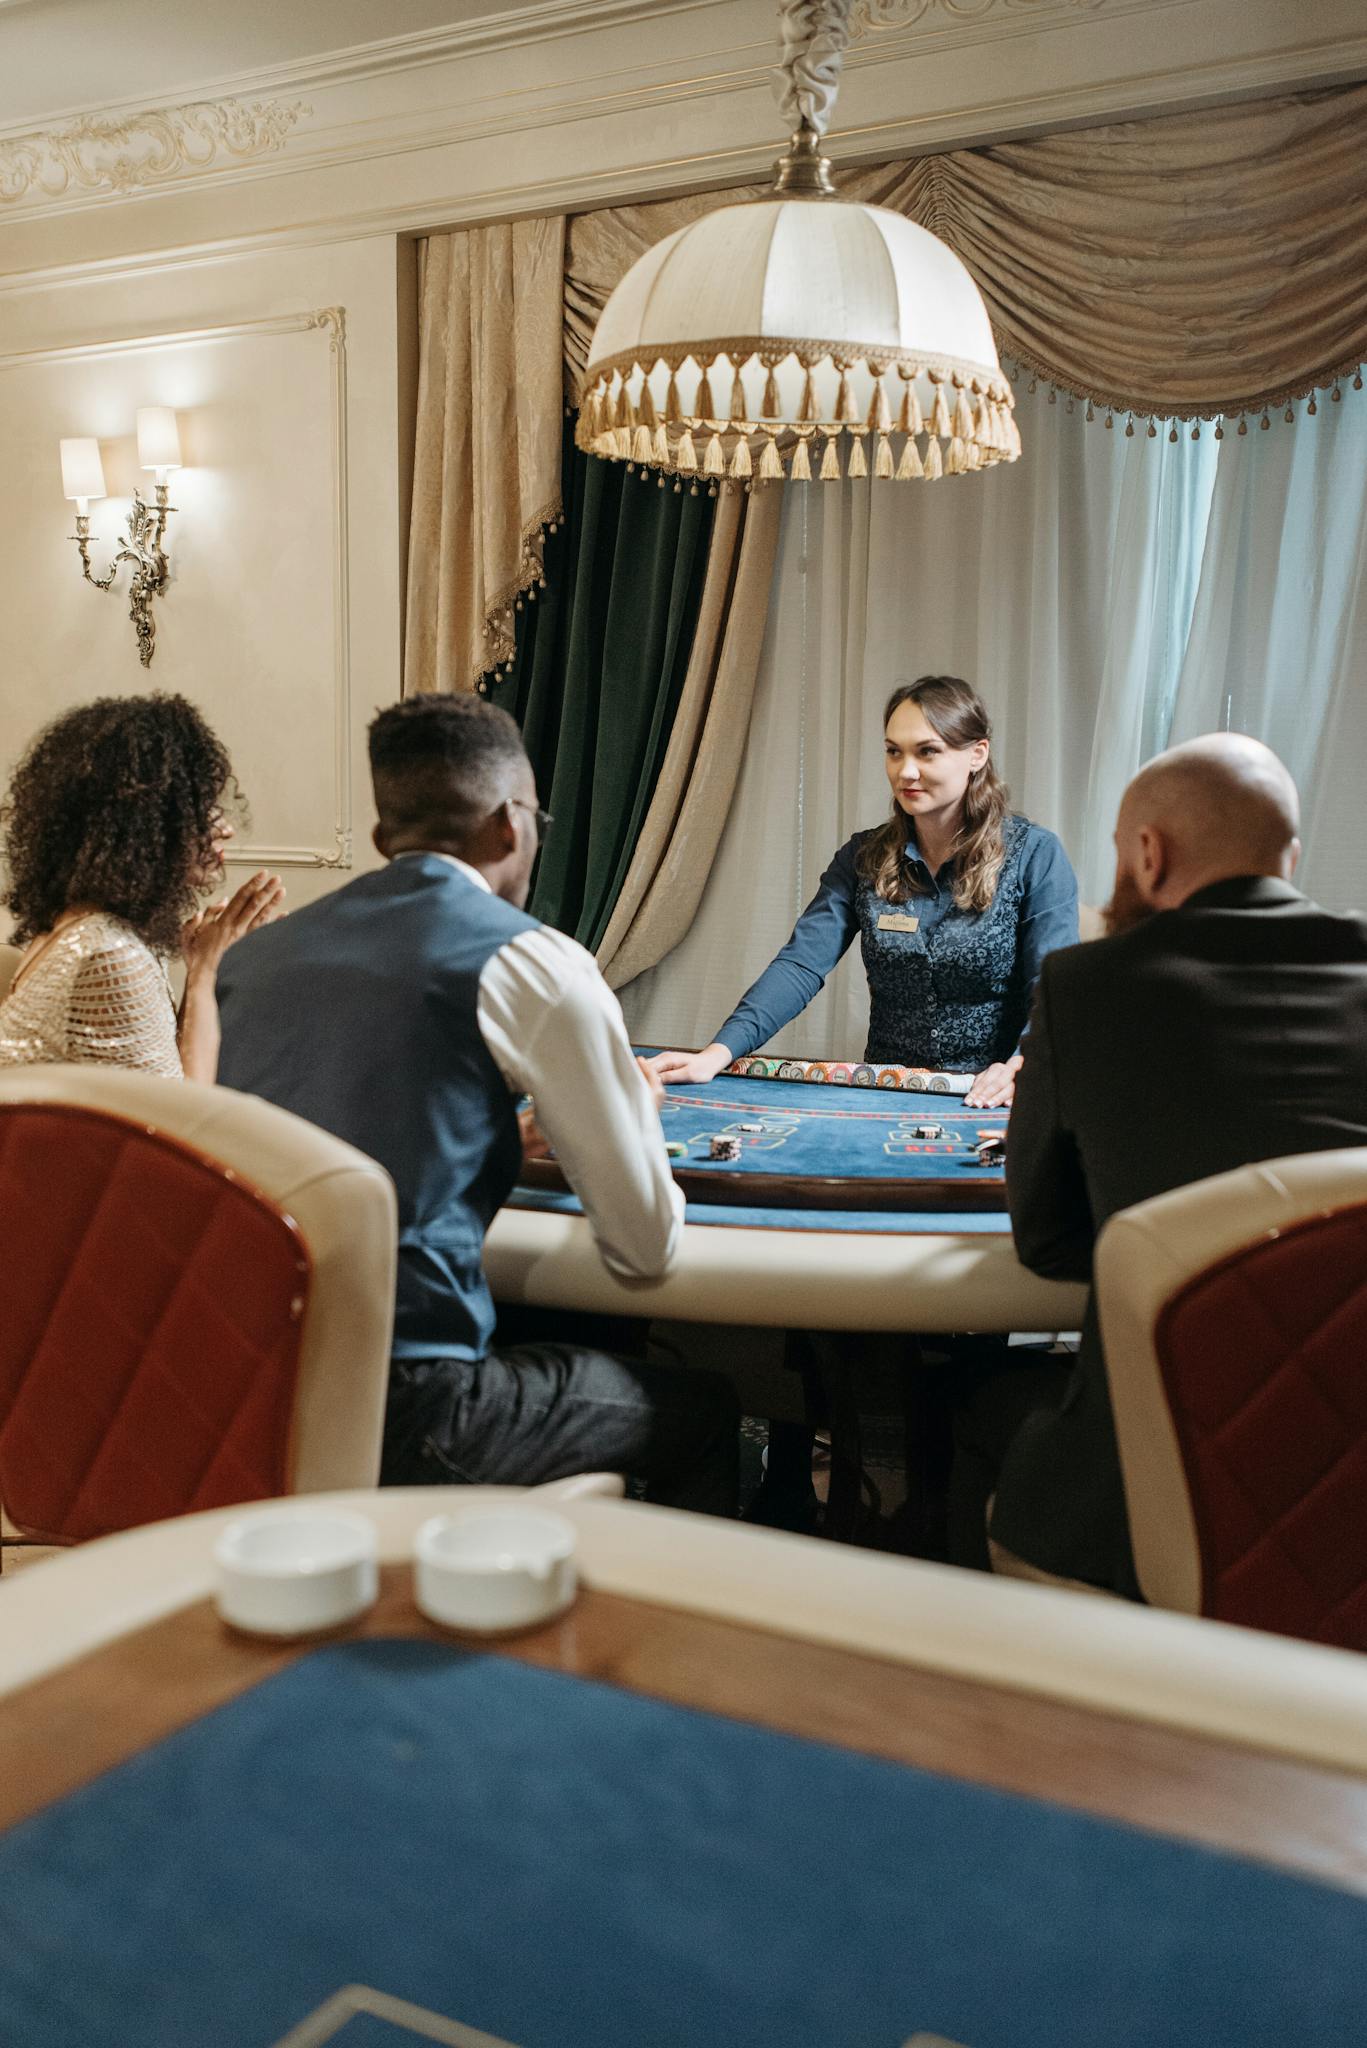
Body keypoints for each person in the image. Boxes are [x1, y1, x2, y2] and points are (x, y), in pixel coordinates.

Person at [215, 694, 739, 1514]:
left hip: (242, 1393)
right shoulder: (537, 963)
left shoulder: (255, 958)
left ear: (387, 839)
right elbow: (646, 1252)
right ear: (510, 825)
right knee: (707, 1413)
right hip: (408, 1413)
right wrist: (633, 1106)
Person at [976, 731, 1367, 1594]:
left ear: (1146, 855)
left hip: (1146, 1506)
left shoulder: (1083, 988)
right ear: (1289, 858)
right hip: (1351, 1491)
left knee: (974, 1413)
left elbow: (1045, 1242)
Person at [647, 675, 1078, 1110]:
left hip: (993, 1098)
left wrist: (1020, 1066)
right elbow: (801, 963)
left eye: (927, 751)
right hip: (884, 1099)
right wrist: (717, 1053)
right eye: (894, 752)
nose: (905, 771)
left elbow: (1053, 988)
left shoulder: (1035, 854)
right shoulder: (863, 857)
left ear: (976, 755)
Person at [0, 694, 282, 1082]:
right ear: (146, 826)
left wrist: (201, 966)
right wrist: (205, 973)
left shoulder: (89, 926)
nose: (224, 828)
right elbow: (182, 1122)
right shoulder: (107, 954)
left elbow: (169, 1075)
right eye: (201, 810)